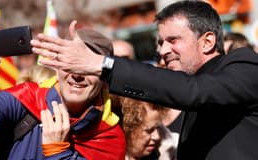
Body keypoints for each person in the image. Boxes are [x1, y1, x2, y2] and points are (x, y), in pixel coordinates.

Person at [31, 1, 258, 160]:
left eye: (173, 40)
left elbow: (195, 92)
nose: (163, 50)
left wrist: (103, 65)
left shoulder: (244, 65)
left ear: (207, 42)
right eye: (160, 42)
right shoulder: (192, 86)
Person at [0, 26, 125, 159]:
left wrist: (57, 153)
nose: (77, 75)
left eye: (87, 67)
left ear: (105, 77)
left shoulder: (111, 138)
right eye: (70, 62)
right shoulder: (25, 97)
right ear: (57, 65)